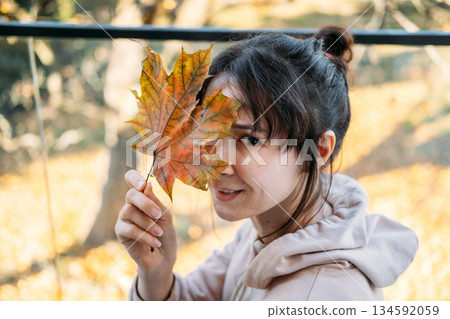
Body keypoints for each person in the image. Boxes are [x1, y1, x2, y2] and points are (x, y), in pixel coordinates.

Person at [115, 26, 418, 301]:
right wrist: (156, 272)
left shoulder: (323, 295)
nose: (215, 160)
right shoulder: (266, 224)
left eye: (250, 140)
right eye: (206, 131)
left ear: (318, 151)